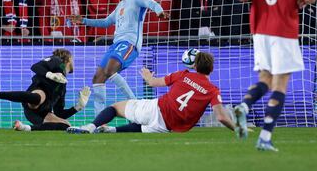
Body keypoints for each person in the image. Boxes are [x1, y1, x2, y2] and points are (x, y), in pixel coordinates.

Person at [234, 0, 316, 151]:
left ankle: (245, 104)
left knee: (265, 78)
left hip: (260, 29)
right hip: (285, 29)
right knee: (280, 84)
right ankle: (265, 136)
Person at [67, 51, 235, 134]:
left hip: (157, 108)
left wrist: (148, 76)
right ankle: (111, 131)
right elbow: (221, 117)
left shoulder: (183, 74)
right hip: (169, 127)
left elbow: (153, 83)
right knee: (142, 127)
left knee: (115, 108)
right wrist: (238, 129)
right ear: (211, 69)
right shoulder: (213, 90)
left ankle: (90, 127)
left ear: (195, 67)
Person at [75, 0, 167, 116]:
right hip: (116, 44)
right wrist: (84, 20)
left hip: (129, 42)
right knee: (98, 77)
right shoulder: (121, 5)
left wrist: (159, 12)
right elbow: (105, 22)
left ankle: (137, 106)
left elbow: (152, 4)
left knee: (110, 70)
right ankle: (99, 119)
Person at [0, 48, 91, 131]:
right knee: (39, 97)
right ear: (68, 59)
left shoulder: (62, 86)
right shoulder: (56, 61)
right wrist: (49, 74)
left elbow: (59, 113)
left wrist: (78, 107)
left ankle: (25, 128)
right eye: (73, 59)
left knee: (66, 125)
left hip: (39, 115)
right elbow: (35, 66)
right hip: (34, 99)